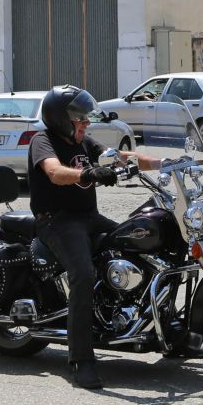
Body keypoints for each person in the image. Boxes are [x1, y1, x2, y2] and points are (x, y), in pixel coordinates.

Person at [28, 85, 159, 389]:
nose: (86, 123)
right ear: (62, 119)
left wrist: (167, 163)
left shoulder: (83, 142)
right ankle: (81, 360)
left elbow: (120, 156)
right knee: (83, 274)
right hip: (56, 221)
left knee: (135, 245)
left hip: (88, 218)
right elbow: (54, 172)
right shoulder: (42, 141)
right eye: (80, 119)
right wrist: (88, 174)